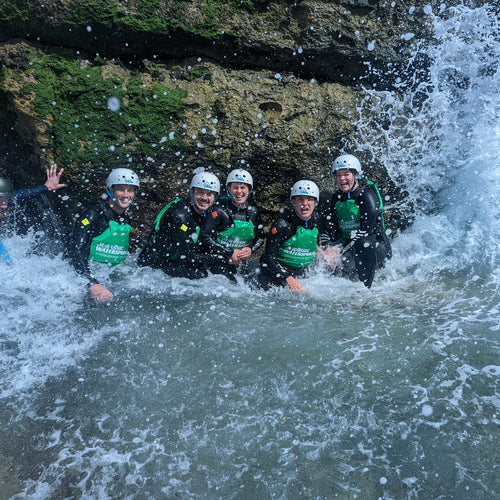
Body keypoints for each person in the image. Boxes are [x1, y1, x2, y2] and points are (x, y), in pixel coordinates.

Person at [137, 170, 230, 279]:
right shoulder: (180, 216)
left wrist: (230, 253)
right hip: (154, 264)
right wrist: (225, 258)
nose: (204, 198)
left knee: (219, 269)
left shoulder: (208, 212)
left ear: (215, 197)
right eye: (200, 192)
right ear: (191, 192)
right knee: (201, 274)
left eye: (210, 193)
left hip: (176, 259)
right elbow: (191, 257)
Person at [69, 168, 140, 303]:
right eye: (121, 189)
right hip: (82, 279)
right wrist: (92, 283)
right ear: (111, 190)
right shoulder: (93, 215)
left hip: (109, 278)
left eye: (130, 190)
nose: (126, 195)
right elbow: (75, 250)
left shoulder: (126, 220)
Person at [252, 179, 337, 292]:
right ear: (293, 202)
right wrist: (287, 278)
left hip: (304, 274)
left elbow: (325, 235)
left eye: (309, 199)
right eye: (300, 199)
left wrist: (327, 248)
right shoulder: (282, 224)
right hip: (276, 275)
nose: (304, 203)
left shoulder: (319, 220)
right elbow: (269, 259)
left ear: (315, 202)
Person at [328, 153, 392, 288]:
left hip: (375, 248)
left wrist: (339, 251)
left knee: (363, 243)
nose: (342, 179)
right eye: (339, 175)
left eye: (346, 174)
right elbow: (332, 228)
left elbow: (365, 232)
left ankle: (365, 290)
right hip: (351, 246)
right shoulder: (336, 197)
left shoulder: (367, 195)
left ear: (356, 175)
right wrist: (330, 247)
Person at [199, 168, 265, 276]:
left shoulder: (253, 212)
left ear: (249, 190)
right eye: (235, 187)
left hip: (242, 264)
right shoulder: (219, 211)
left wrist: (250, 249)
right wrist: (229, 252)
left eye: (243, 187)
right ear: (228, 189)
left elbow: (261, 237)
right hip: (219, 263)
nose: (239, 191)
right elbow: (205, 237)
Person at [0, 164, 66, 265]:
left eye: (6, 201)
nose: (5, 206)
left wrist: (45, 187)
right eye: (1, 201)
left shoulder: (7, 202)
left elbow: (22, 194)